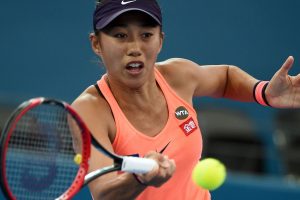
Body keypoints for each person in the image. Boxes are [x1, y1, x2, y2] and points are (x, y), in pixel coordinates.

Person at [72, 0, 300, 199]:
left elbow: (225, 77)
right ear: (96, 43)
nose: (134, 48)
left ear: (160, 40)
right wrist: (139, 180)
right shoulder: (89, 110)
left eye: (146, 35)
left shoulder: (178, 76)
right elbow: (104, 193)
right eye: (120, 36)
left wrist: (263, 92)